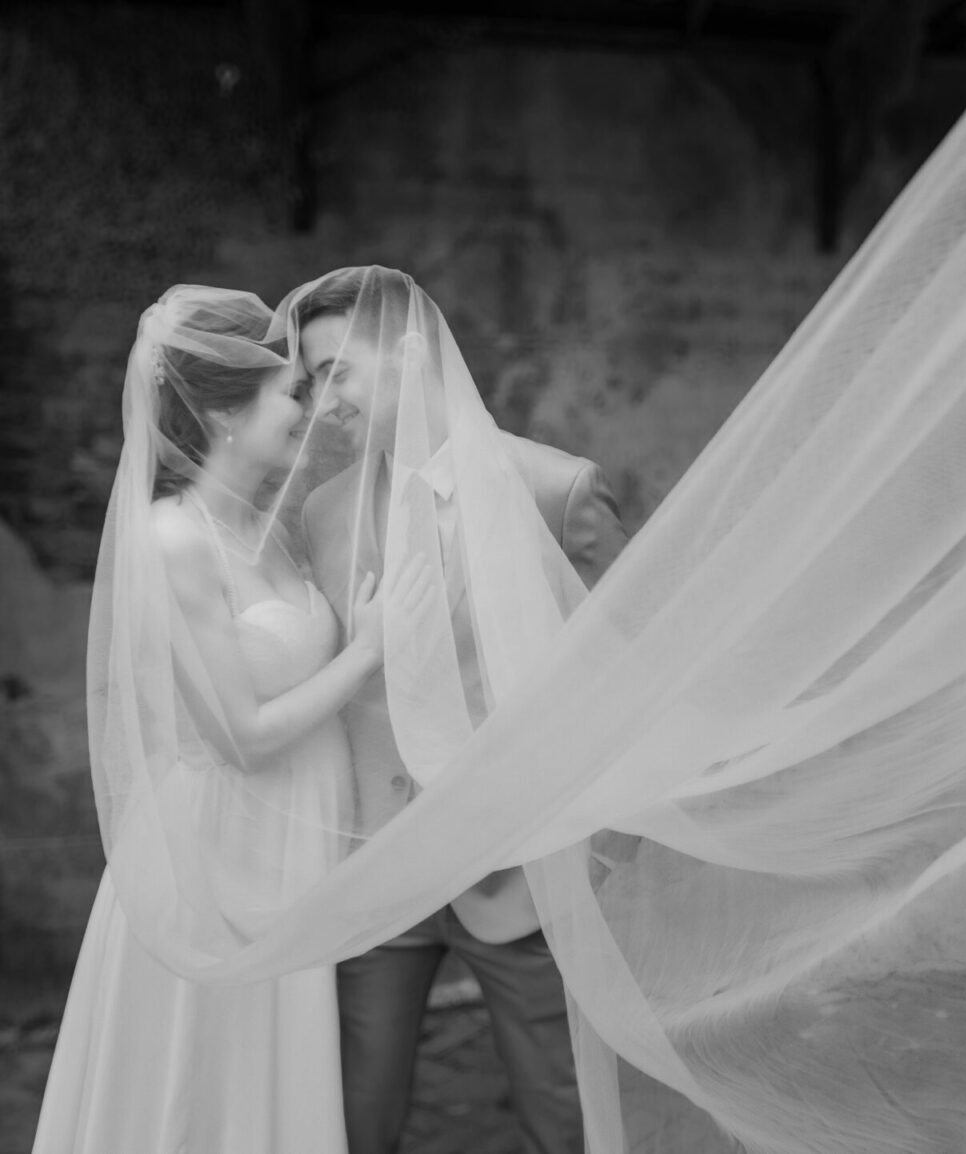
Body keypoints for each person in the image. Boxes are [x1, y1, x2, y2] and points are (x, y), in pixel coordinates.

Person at [32, 285, 427, 1154]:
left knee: (275, 1089)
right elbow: (241, 738)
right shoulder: (174, 541)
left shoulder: (273, 528)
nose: (308, 407)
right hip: (220, 859)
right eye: (290, 391)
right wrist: (366, 654)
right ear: (221, 416)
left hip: (290, 854)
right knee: (199, 1092)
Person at [286, 266, 628, 1154]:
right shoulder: (322, 512)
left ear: (406, 353)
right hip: (376, 871)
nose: (321, 402)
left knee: (570, 1119)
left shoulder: (558, 490)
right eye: (310, 380)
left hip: (520, 873)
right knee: (353, 1120)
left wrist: (590, 842)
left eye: (336, 372)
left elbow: (629, 672)